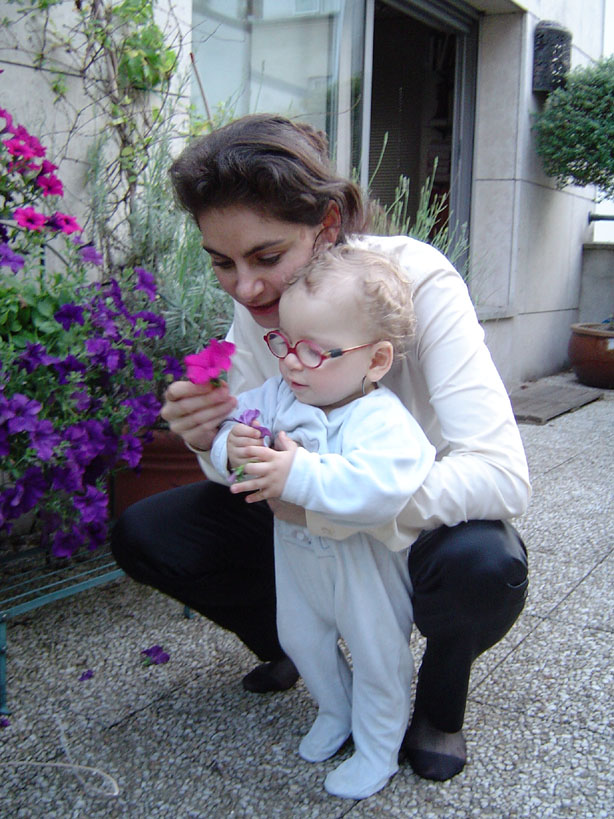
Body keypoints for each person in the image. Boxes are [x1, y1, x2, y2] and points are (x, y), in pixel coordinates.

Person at [111, 113, 530, 784]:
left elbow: (502, 476)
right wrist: (210, 439)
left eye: (267, 257)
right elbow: (250, 440)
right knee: (147, 533)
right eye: (221, 262)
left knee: (483, 565)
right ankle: (294, 651)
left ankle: (438, 704)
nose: (245, 288)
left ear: (327, 225)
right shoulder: (260, 309)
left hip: (409, 515)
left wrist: (329, 500)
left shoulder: (418, 280)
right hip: (301, 513)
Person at [209, 245, 436, 799]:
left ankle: (378, 747)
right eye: (284, 342)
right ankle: (335, 709)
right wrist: (228, 446)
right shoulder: (278, 395)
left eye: (312, 351)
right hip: (297, 561)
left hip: (365, 571)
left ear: (375, 361)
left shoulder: (384, 421)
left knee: (378, 656)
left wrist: (299, 475)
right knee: (300, 638)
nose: (290, 362)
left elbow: (380, 490)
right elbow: (234, 424)